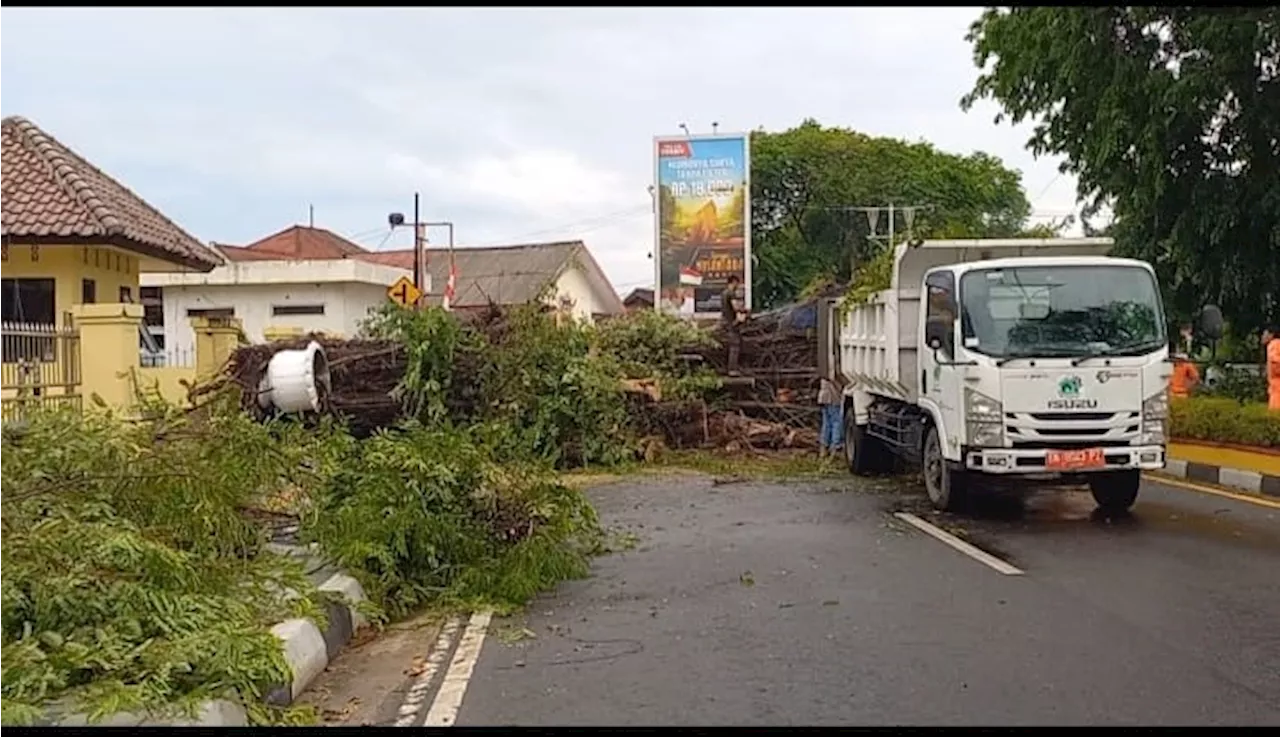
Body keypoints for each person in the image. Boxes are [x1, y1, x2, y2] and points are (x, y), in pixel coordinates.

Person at [720, 275, 747, 375]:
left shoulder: (723, 293)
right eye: (737, 283)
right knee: (735, 344)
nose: (738, 285)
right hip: (730, 323)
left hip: (725, 321)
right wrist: (744, 311)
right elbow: (735, 307)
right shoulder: (731, 293)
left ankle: (729, 367)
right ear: (733, 282)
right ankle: (732, 369)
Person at [817, 374, 844, 459]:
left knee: (827, 423)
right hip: (833, 397)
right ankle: (835, 447)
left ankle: (824, 447)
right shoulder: (832, 372)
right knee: (836, 422)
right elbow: (837, 383)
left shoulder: (824, 369)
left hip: (824, 397)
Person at [1265, 325, 1280, 411]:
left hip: (1276, 386)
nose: (1263, 336)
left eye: (1265, 333)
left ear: (1271, 335)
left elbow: (1275, 362)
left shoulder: (1273, 345)